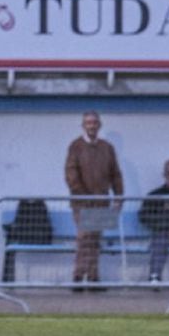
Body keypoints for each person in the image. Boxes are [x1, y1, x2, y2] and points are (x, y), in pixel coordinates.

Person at [64, 110, 123, 290]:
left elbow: (115, 174)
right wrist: (83, 195)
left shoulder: (107, 148)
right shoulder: (76, 146)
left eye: (94, 123)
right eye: (88, 123)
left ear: (99, 125)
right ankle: (78, 277)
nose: (92, 126)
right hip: (82, 203)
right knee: (84, 238)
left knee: (95, 239)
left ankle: (93, 277)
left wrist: (119, 197)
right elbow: (71, 173)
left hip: (101, 201)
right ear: (83, 126)